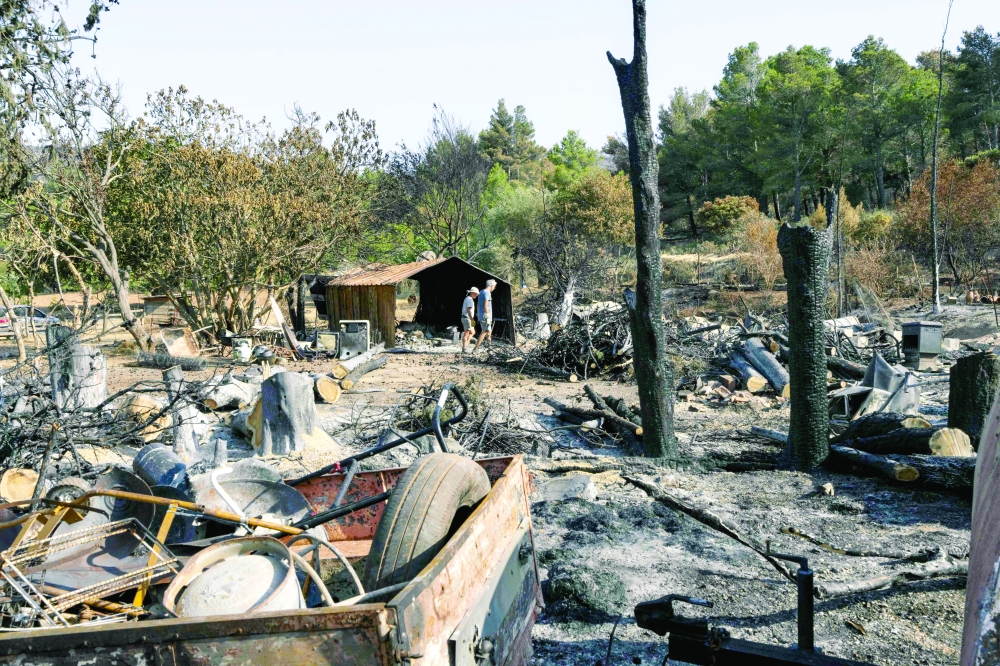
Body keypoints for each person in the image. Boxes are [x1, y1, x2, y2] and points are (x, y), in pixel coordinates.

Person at [473, 279, 496, 352]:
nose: (494, 288)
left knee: (489, 331)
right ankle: (476, 348)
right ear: (491, 286)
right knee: (485, 331)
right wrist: (487, 316)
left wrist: (477, 312)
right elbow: (485, 305)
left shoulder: (481, 292)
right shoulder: (487, 293)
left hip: (481, 315)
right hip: (485, 316)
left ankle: (490, 348)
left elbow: (477, 304)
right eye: (494, 286)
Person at [460, 287, 478, 352]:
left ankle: (466, 344)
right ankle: (464, 348)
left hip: (466, 317)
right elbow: (468, 310)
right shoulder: (470, 300)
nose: (477, 295)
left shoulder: (467, 298)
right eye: (476, 294)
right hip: (467, 318)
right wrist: (471, 319)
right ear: (472, 293)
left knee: (473, 332)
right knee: (466, 333)